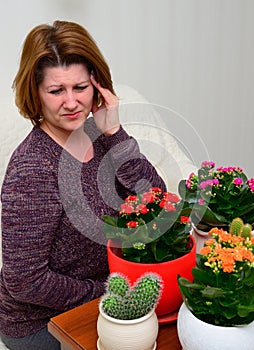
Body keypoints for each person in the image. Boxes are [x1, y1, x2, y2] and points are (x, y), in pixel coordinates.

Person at [0, 20, 166, 350]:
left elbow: (156, 202)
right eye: (56, 90)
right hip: (42, 323)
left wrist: (115, 134)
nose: (72, 103)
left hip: (109, 298)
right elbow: (24, 282)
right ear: (35, 93)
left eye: (80, 87)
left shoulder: (101, 136)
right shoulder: (32, 170)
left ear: (98, 86)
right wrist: (107, 293)